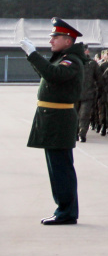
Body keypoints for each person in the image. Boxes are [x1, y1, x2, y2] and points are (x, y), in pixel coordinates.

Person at [21, 18, 86, 225]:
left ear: (68, 40)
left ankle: (66, 212)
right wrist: (33, 58)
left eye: (55, 37)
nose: (51, 41)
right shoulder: (62, 58)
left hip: (59, 120)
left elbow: (54, 75)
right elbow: (47, 74)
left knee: (61, 169)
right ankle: (64, 210)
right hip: (53, 119)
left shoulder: (71, 61)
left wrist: (33, 55)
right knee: (57, 168)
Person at [76, 45, 101, 144]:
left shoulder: (92, 64)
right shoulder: (74, 63)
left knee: (84, 115)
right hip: (75, 94)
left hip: (88, 94)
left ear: (87, 51)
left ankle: (82, 134)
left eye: (84, 50)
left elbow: (99, 78)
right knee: (74, 115)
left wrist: (99, 91)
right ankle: (75, 132)